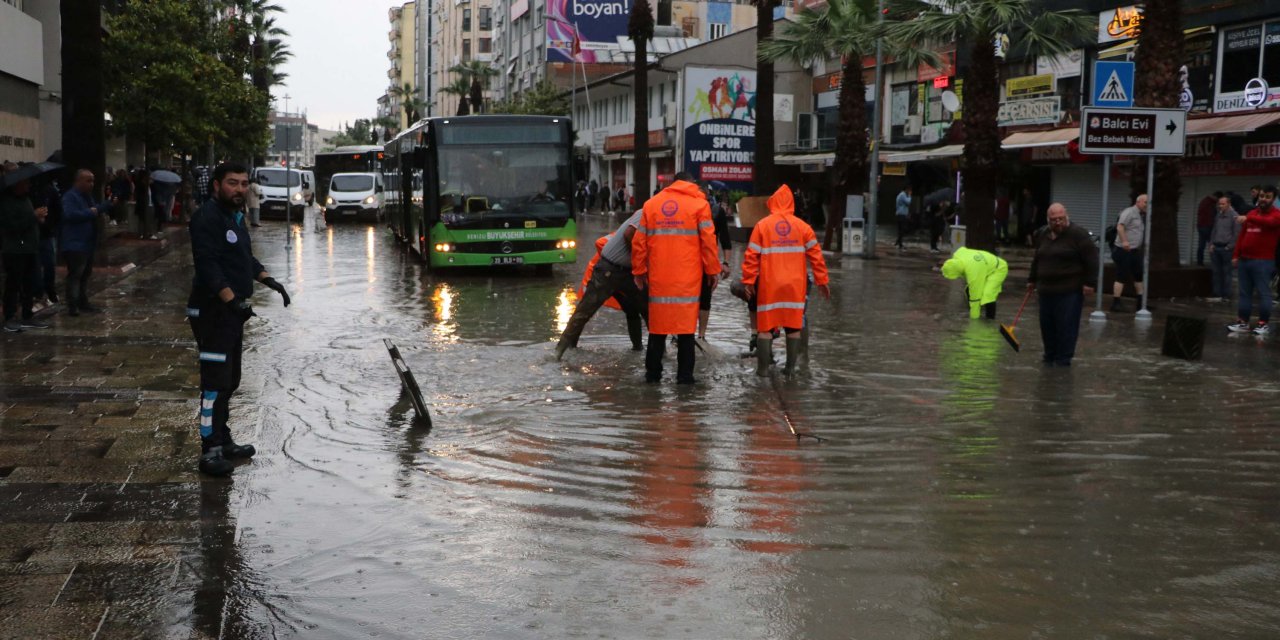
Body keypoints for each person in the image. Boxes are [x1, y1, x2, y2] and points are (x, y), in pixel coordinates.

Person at [187, 163, 291, 476]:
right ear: (217, 185)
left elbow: (243, 257)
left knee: (230, 381)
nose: (240, 189)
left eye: (244, 183)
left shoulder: (234, 217)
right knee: (214, 383)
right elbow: (209, 266)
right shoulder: (206, 218)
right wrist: (232, 301)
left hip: (231, 314)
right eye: (233, 183)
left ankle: (224, 438)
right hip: (211, 314)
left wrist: (267, 279)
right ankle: (210, 448)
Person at [631, 171, 721, 384]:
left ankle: (652, 377)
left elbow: (638, 242)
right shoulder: (699, 206)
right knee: (686, 331)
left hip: (659, 279)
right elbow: (708, 242)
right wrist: (712, 271)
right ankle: (685, 379)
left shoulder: (652, 205)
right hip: (687, 281)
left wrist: (639, 271)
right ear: (692, 185)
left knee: (657, 329)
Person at [740, 185, 831, 377]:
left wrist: (748, 281)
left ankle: (763, 371)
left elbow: (751, 256)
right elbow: (816, 257)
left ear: (772, 203)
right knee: (793, 327)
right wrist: (822, 281)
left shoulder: (762, 225)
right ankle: (790, 370)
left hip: (769, 285)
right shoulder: (803, 227)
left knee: (765, 328)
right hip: (795, 286)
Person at [555, 213, 648, 359]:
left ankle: (642, 349)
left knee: (643, 309)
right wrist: (640, 260)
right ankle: (562, 350)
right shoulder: (645, 213)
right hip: (606, 271)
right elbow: (622, 237)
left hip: (629, 273)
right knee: (585, 310)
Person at [1027, 203, 1098, 367]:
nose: (1058, 222)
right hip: (1045, 290)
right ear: (1048, 220)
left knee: (1066, 326)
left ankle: (1063, 360)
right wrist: (1032, 280)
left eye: (1061, 219)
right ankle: (1049, 356)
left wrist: (1090, 283)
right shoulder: (1043, 233)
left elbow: (1092, 260)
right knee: (1047, 326)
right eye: (1054, 220)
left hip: (1069, 291)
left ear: (1066, 216)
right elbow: (1037, 258)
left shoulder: (1078, 234)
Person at [1, 165, 51, 332]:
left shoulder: (26, 199)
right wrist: (33, 216)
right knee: (13, 284)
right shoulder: (6, 202)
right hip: (15, 249)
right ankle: (9, 317)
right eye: (25, 183)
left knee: (29, 284)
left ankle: (27, 315)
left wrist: (39, 219)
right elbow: (12, 226)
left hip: (30, 248)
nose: (29, 186)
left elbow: (29, 221)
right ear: (17, 185)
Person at [1228, 185, 1280, 335]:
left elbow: (1269, 223)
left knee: (1264, 293)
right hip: (1245, 260)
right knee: (1244, 293)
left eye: (1267, 197)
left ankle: (1263, 323)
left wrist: (1248, 218)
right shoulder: (1252, 213)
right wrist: (1236, 255)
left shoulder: (1276, 215)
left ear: (1273, 199)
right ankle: (1242, 322)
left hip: (1263, 261)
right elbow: (1242, 236)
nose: (1263, 199)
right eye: (1262, 196)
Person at [61, 169, 113, 316]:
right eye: (88, 180)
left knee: (84, 274)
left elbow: (95, 209)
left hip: (87, 243)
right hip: (75, 243)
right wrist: (92, 212)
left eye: (93, 181)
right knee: (76, 274)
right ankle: (73, 305)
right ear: (78, 181)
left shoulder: (87, 197)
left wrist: (104, 206)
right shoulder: (70, 197)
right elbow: (70, 215)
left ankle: (82, 302)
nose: (91, 184)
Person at [697, 190, 734, 340]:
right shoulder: (687, 210)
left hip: (706, 260)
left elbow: (725, 239)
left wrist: (725, 263)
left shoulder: (717, 212)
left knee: (705, 297)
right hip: (689, 261)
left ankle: (701, 335)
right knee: (687, 298)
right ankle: (680, 334)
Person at [940, 246, 1009, 319]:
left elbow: (975, 298)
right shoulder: (958, 255)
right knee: (968, 290)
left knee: (988, 294)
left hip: (998, 268)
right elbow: (962, 249)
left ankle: (990, 320)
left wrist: (974, 320)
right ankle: (974, 310)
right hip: (985, 266)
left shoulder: (973, 272)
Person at [1111, 194, 1148, 312]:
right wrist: (1125, 241)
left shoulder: (1142, 215)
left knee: (1138, 275)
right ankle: (1115, 303)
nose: (1147, 205)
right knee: (1121, 275)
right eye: (1145, 202)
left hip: (1135, 250)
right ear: (1138, 202)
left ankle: (1140, 302)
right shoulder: (1129, 212)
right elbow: (1120, 227)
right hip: (1124, 250)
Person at [1207, 195, 1240, 303]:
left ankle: (1227, 294)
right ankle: (1217, 293)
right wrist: (1211, 244)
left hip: (1226, 248)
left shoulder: (1234, 216)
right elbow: (1214, 230)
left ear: (1229, 204)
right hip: (1216, 246)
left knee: (1227, 272)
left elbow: (1237, 233)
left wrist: (1229, 246)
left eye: (1223, 204)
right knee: (1216, 272)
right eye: (1219, 204)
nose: (1220, 206)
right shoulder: (1218, 215)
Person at [1196, 191, 1222, 267]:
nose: (1218, 202)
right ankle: (1215, 262)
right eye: (1218, 199)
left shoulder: (1204, 201)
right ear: (1217, 197)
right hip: (1207, 226)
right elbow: (1212, 215)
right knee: (1212, 245)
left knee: (1201, 245)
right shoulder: (1211, 203)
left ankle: (1199, 262)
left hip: (1200, 226)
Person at [894, 185, 912, 251]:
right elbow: (908, 202)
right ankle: (900, 244)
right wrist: (909, 195)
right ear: (906, 189)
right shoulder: (903, 195)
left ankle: (898, 242)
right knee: (902, 229)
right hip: (901, 215)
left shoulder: (901, 195)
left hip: (900, 214)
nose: (910, 192)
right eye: (909, 190)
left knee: (900, 230)